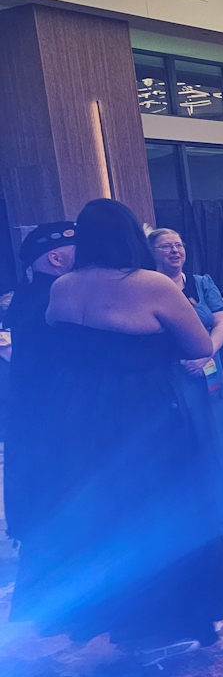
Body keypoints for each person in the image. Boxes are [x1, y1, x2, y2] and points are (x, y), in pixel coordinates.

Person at [11, 199, 223, 664]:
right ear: (133, 235)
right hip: (145, 411)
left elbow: (62, 342)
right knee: (170, 509)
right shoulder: (151, 284)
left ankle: (125, 618)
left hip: (84, 416)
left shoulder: (63, 287)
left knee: (113, 515)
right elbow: (198, 344)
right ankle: (170, 621)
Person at [148, 229, 223, 522]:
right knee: (185, 430)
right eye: (166, 246)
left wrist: (205, 354)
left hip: (208, 366)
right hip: (171, 370)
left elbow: (220, 323)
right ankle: (194, 506)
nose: (175, 251)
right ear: (152, 252)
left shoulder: (202, 283)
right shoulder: (148, 286)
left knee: (217, 429)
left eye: (179, 245)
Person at [3, 221, 76, 545]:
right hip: (53, 410)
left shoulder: (29, 293)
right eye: (78, 250)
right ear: (55, 258)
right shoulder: (52, 296)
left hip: (34, 409)